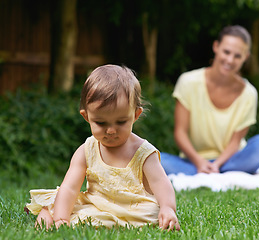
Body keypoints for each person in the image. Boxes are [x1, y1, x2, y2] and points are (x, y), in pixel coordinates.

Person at [25, 64, 180, 231]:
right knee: (62, 203)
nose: (111, 130)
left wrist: (167, 207)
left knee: (152, 213)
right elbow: (69, 188)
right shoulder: (86, 150)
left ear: (135, 115)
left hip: (133, 208)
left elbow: (161, 184)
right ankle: (48, 215)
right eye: (101, 123)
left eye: (121, 122)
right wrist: (61, 219)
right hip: (96, 203)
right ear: (87, 117)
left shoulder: (143, 152)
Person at [160, 25, 259, 175]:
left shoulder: (249, 93)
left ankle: (218, 170)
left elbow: (236, 142)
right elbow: (180, 133)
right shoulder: (188, 82)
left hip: (232, 159)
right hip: (193, 161)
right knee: (157, 160)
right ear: (216, 47)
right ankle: (212, 170)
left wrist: (217, 164)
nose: (230, 60)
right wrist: (198, 161)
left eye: (237, 56)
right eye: (226, 52)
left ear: (245, 57)